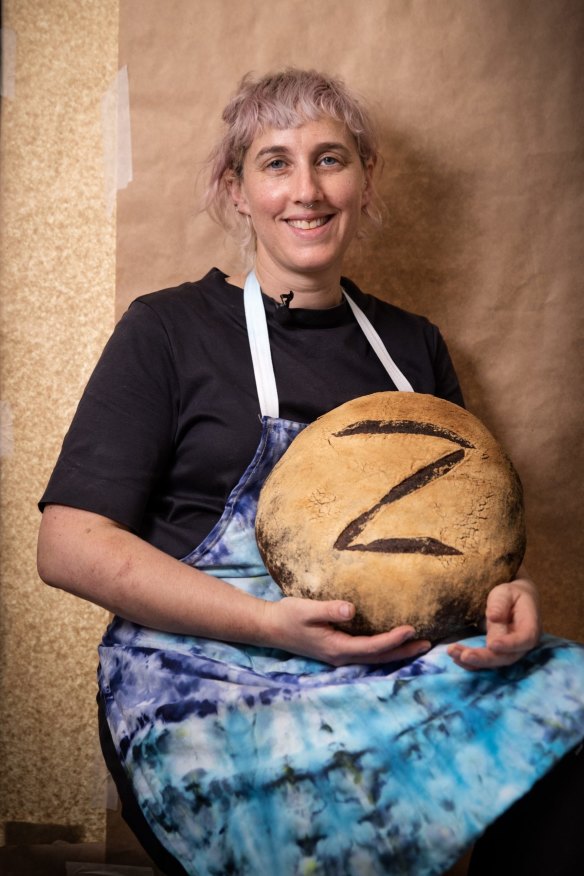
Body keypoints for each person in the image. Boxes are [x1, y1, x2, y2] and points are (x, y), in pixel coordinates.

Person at [37, 68, 584, 876]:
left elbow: (465, 533)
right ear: (237, 190)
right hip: (202, 680)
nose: (307, 190)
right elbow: (69, 544)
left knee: (570, 694)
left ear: (365, 180)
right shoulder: (168, 330)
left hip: (383, 670)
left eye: (331, 159)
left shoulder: (412, 348)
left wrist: (513, 594)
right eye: (275, 162)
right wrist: (265, 624)